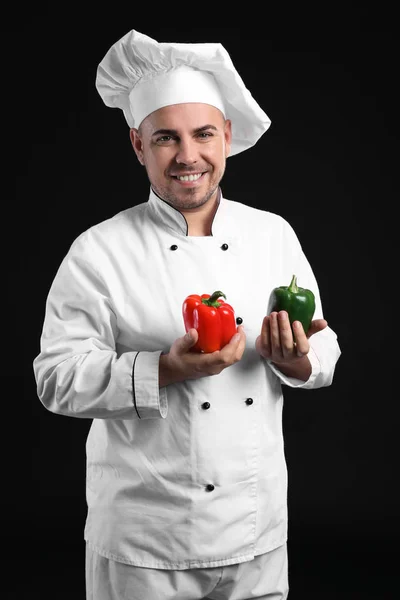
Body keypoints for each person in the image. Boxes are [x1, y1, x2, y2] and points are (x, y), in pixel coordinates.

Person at [33, 28, 341, 600]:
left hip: (257, 529)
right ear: (137, 145)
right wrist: (164, 370)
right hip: (144, 543)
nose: (187, 155)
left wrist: (297, 360)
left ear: (225, 136)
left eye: (203, 134)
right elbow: (54, 379)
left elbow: (324, 344)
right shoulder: (98, 250)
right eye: (165, 138)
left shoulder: (272, 234)